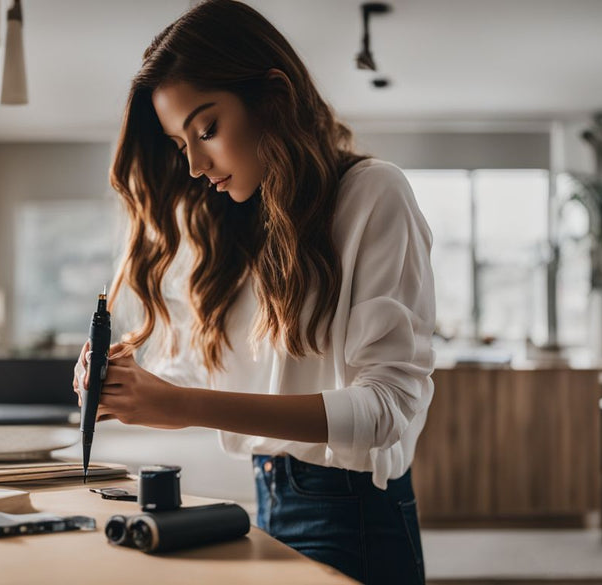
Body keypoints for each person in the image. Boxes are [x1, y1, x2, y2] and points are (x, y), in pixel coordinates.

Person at [73, 1, 435, 583]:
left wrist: (184, 407)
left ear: (274, 97)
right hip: (265, 503)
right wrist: (131, 385)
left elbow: (387, 409)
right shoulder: (231, 224)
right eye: (179, 143)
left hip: (355, 515)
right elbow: (216, 378)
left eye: (207, 128)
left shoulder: (373, 195)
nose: (193, 164)